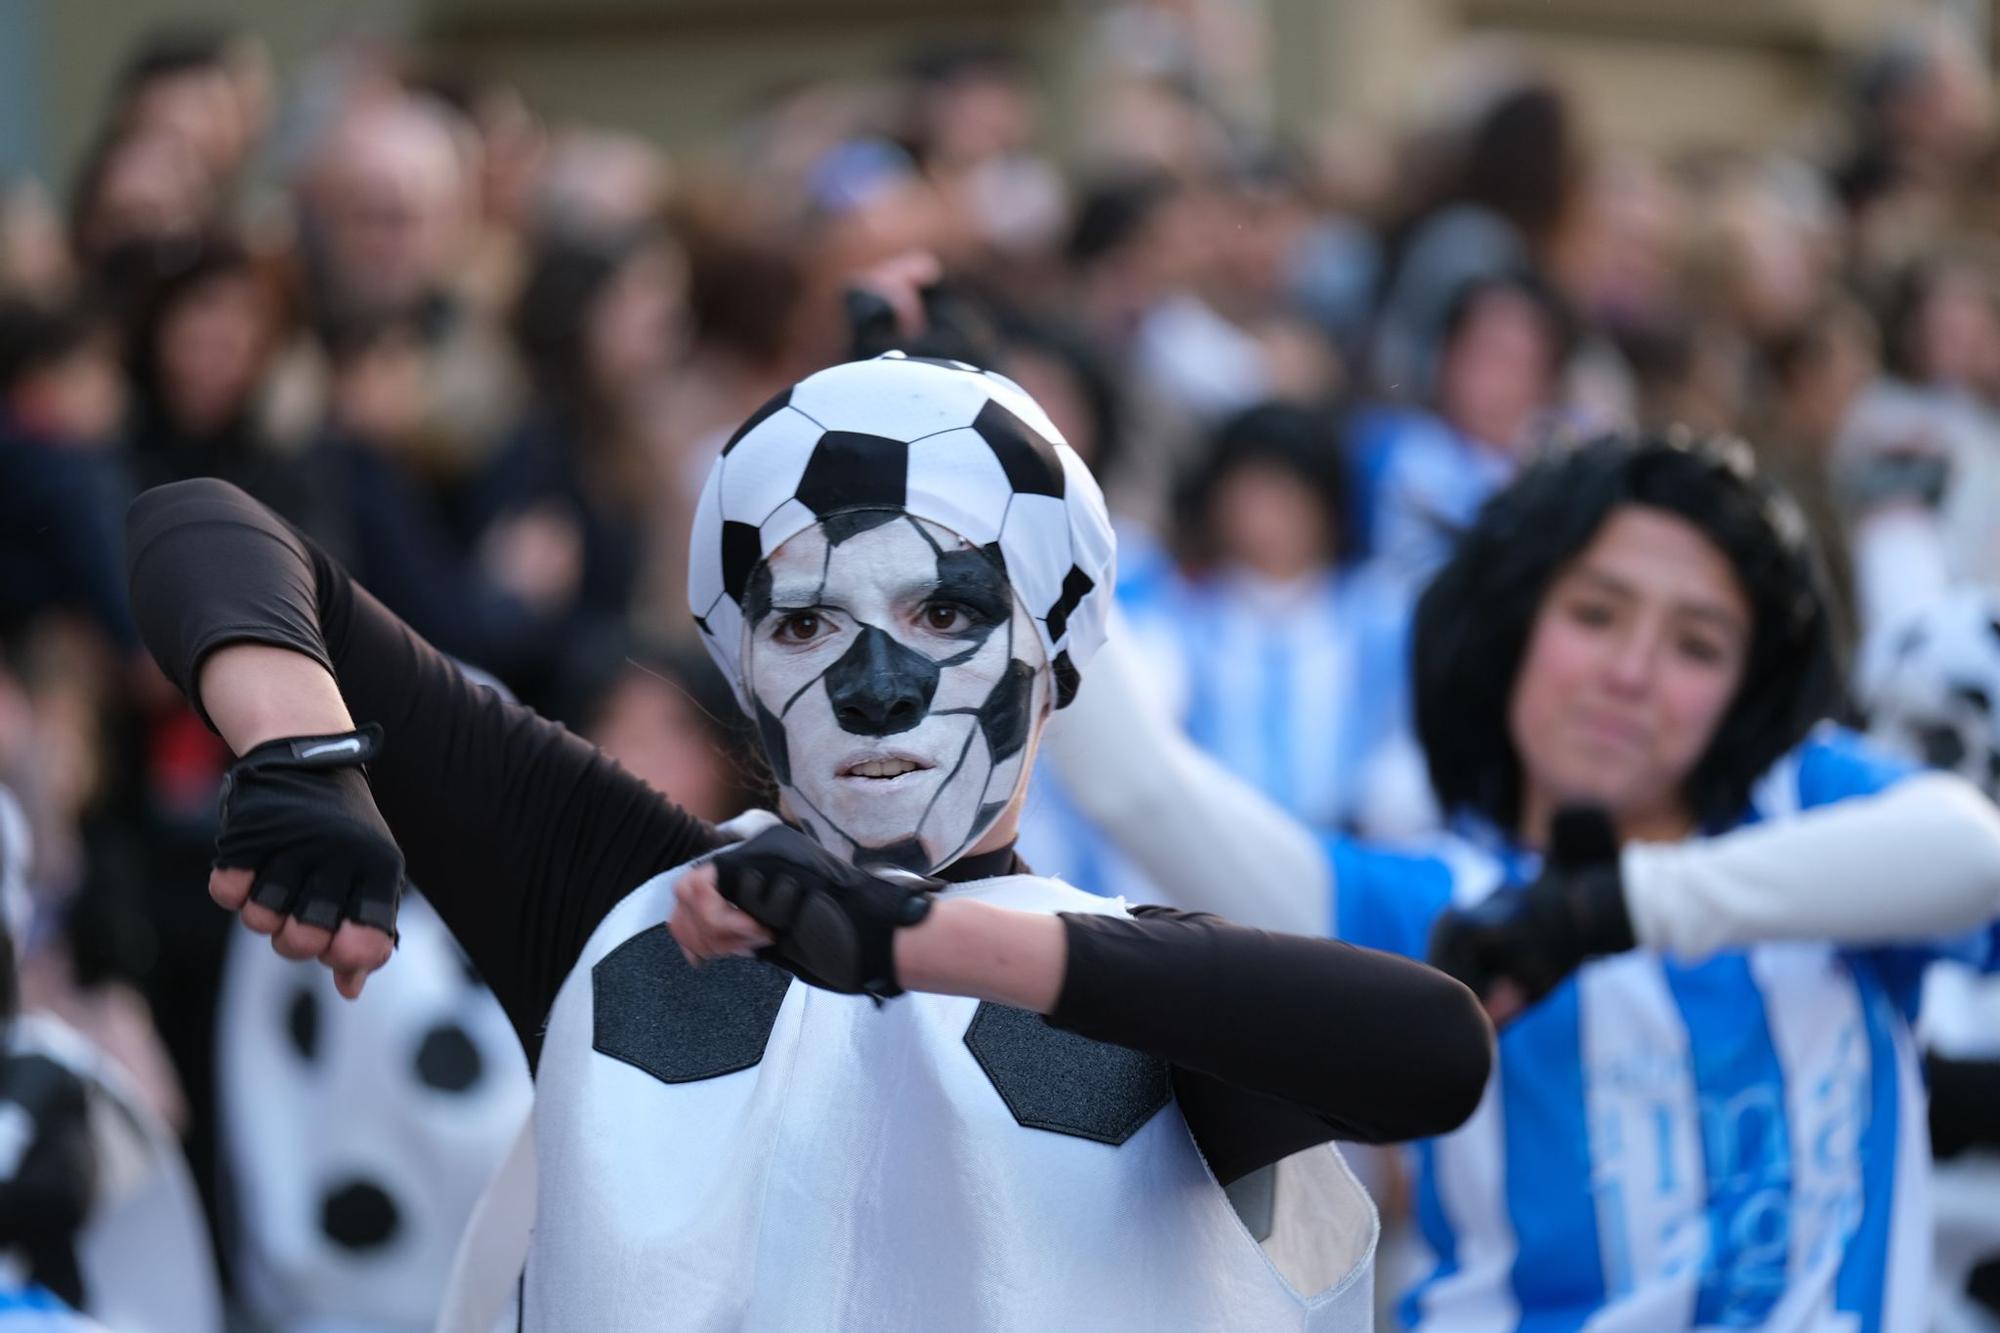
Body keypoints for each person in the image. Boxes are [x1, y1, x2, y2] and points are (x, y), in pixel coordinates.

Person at [125, 353, 1493, 1330]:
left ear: (1056, 655)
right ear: (738, 668)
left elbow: (1431, 1049)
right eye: (803, 623)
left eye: (948, 613)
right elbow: (206, 527)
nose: (876, 683)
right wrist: (301, 752)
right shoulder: (630, 904)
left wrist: (923, 942)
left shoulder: (1141, 985)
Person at [1045, 431, 2000, 1329]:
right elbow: (1140, 785)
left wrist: (1618, 909)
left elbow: (1976, 852)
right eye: (1594, 614)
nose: (1631, 672)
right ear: (1513, 629)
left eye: (1698, 645)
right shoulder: (1423, 905)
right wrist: (999, 457)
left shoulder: (1810, 808)